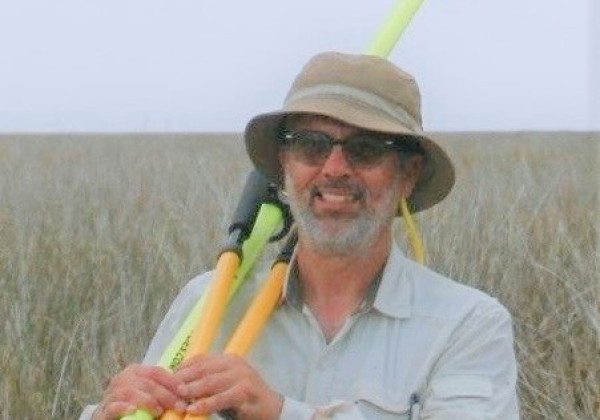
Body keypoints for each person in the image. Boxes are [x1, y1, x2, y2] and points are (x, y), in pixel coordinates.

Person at [81, 52, 519, 419]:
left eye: (365, 149)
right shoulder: (209, 303)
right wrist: (111, 411)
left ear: (408, 174)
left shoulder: (468, 325)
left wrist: (279, 411)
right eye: (311, 145)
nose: (334, 169)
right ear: (285, 167)